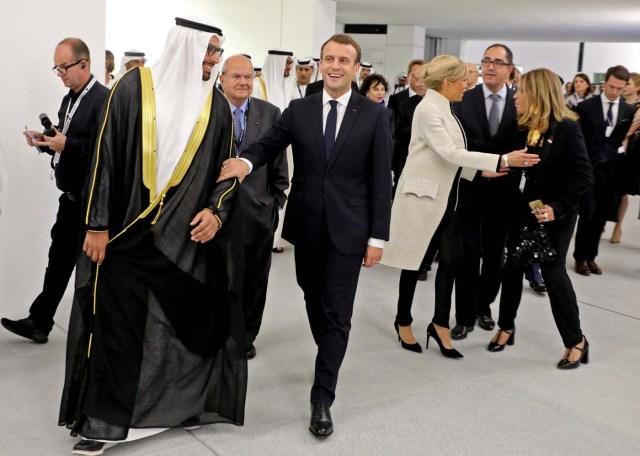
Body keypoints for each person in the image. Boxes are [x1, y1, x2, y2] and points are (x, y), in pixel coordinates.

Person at [58, 18, 247, 455]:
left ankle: (171, 410)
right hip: (125, 234)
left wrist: (216, 213)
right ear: (187, 46)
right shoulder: (133, 88)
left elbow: (225, 169)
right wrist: (97, 225)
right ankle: (102, 424)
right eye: (210, 50)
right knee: (117, 327)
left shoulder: (215, 107)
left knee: (178, 325)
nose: (215, 60)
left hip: (182, 241)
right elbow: (104, 157)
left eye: (219, 52)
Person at [218, 33, 392, 438]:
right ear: (320, 64)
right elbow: (268, 144)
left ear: (355, 68)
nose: (335, 66)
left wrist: (377, 238)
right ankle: (329, 346)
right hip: (308, 226)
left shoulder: (373, 115)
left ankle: (322, 398)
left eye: (343, 60)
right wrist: (244, 163)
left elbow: (381, 181)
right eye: (329, 58)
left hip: (351, 230)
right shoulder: (299, 109)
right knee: (312, 296)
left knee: (337, 314)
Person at [382, 55, 539, 359]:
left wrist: (480, 171)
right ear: (447, 82)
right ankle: (403, 320)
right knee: (415, 262)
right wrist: (502, 160)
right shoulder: (429, 109)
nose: (468, 85)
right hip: (423, 198)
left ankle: (440, 323)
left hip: (445, 199)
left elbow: (449, 156)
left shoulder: (445, 108)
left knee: (453, 258)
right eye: (463, 79)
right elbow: (449, 151)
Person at [1, 38, 109, 344]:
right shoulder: (69, 100)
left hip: (93, 203)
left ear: (84, 65)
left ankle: (98, 334)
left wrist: (68, 144)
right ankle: (40, 321)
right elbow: (65, 144)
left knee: (94, 271)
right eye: (57, 68)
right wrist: (46, 142)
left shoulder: (103, 100)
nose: (60, 74)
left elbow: (106, 151)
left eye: (64, 67)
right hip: (71, 199)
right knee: (59, 261)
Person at [489, 68, 593, 369]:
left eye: (521, 90)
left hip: (555, 215)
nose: (516, 96)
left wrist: (557, 208)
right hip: (521, 209)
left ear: (537, 94)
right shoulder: (519, 125)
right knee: (512, 268)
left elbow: (584, 176)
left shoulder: (567, 128)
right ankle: (506, 327)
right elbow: (493, 154)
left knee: (553, 272)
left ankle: (576, 340)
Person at [220, 54, 289, 360]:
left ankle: (246, 335)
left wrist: (273, 203)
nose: (243, 82)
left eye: (248, 76)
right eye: (236, 76)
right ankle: (219, 332)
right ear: (222, 78)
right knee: (219, 278)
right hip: (216, 215)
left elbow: (279, 166)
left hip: (257, 214)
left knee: (254, 280)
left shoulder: (270, 113)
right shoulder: (207, 111)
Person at [450, 44, 520, 339]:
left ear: (509, 69)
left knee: (494, 256)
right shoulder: (466, 98)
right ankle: (464, 316)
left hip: (504, 191)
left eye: (497, 62)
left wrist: (503, 166)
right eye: (486, 61)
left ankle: (484, 307)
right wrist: (482, 166)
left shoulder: (520, 101)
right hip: (471, 187)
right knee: (468, 254)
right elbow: (459, 144)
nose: (490, 67)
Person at [573, 65, 634, 276]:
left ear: (625, 87)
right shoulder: (586, 107)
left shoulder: (628, 110)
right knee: (588, 214)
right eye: (610, 87)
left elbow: (620, 139)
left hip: (612, 170)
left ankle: (591, 257)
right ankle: (580, 257)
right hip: (588, 167)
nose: (614, 92)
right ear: (604, 83)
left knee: (601, 216)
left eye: (619, 88)